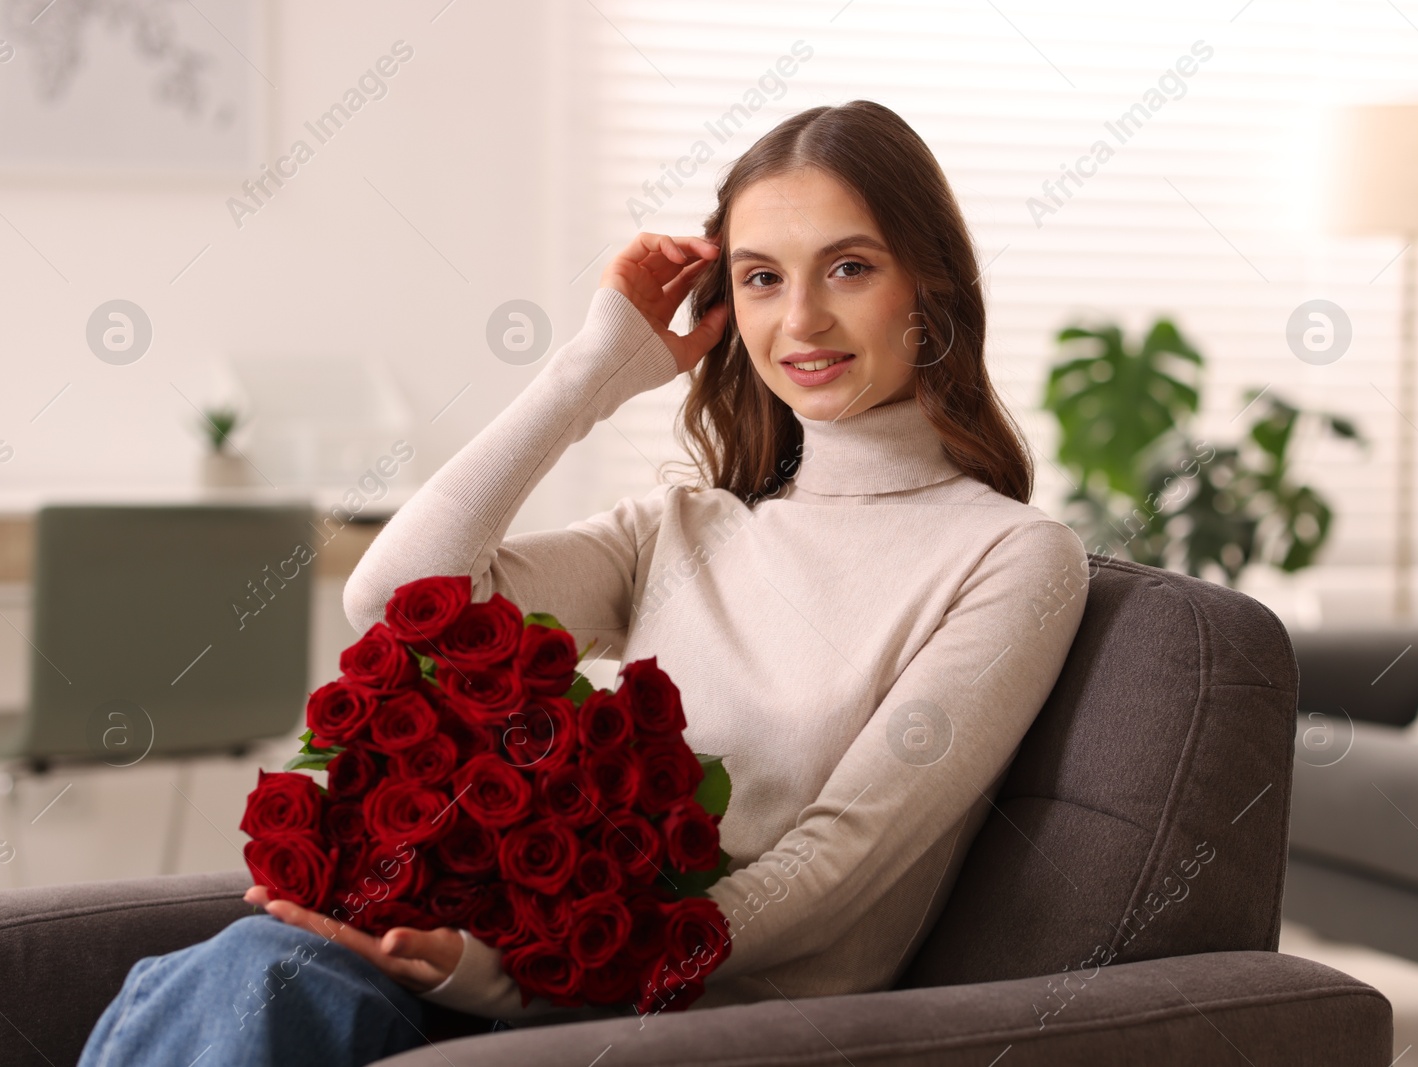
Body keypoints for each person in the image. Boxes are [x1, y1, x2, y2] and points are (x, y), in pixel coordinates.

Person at [79, 98, 1089, 1066]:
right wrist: (593, 369)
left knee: (261, 979)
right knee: (241, 970)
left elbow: (833, 865)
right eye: (761, 279)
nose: (804, 318)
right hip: (529, 981)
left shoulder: (1010, 557)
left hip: (703, 1022)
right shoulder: (685, 525)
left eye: (850, 267)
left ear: (932, 284)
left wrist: (516, 977)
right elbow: (395, 602)